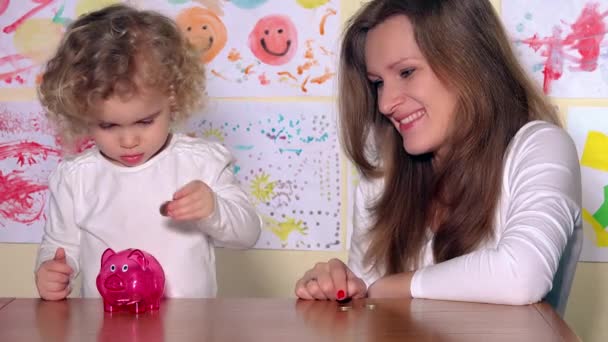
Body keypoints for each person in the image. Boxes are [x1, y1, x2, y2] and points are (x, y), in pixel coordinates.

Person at [295, 0, 582, 305]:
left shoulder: (541, 148)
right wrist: (336, 289)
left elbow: (522, 277)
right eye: (378, 83)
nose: (385, 103)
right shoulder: (381, 180)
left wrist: (391, 287)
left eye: (406, 72)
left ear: (470, 62)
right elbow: (365, 308)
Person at [35, 4, 261, 300]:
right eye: (108, 125)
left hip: (189, 329)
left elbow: (248, 234)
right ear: (81, 111)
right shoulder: (75, 178)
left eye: (144, 121)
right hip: (106, 327)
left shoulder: (201, 163)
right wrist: (51, 269)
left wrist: (213, 209)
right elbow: (59, 247)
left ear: (172, 95)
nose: (129, 140)